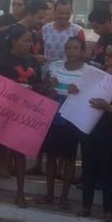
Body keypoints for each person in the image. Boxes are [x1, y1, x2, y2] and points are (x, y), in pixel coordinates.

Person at [0, 27, 43, 208]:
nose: (28, 44)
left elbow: (38, 85)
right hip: (4, 111)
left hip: (24, 113)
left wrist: (47, 86)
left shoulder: (33, 61)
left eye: (30, 41)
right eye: (24, 40)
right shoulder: (2, 59)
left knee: (20, 152)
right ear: (13, 41)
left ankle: (20, 193)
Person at [81, 40, 112, 221]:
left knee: (107, 167)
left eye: (111, 54)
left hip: (111, 127)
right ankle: (86, 205)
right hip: (90, 123)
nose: (106, 58)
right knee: (88, 165)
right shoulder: (97, 73)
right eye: (105, 54)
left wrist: (109, 108)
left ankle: (109, 209)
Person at [40, 37, 86, 209]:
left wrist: (79, 92)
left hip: (72, 117)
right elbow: (43, 87)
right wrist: (49, 86)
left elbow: (91, 94)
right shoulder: (55, 66)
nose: (71, 51)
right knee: (51, 156)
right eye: (68, 48)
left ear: (82, 51)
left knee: (69, 158)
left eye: (75, 48)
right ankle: (49, 194)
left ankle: (64, 198)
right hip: (53, 115)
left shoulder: (88, 71)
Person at [39, 0, 85, 64]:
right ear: (54, 12)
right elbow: (38, 51)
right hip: (48, 69)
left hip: (69, 69)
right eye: (60, 13)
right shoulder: (44, 29)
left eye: (67, 13)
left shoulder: (77, 31)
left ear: (72, 12)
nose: (64, 16)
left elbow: (82, 54)